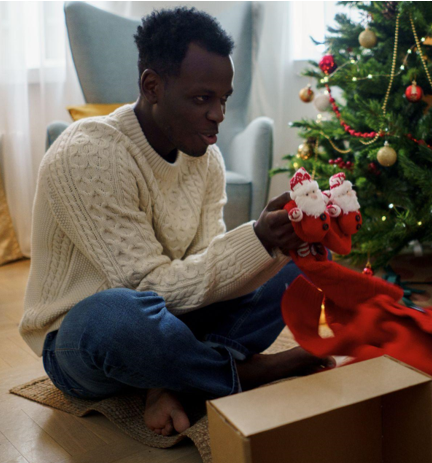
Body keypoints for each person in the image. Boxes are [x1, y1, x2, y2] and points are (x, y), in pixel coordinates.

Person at [20, 7, 331, 437]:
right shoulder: (89, 152)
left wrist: (274, 245)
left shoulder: (207, 159)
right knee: (119, 314)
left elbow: (206, 273)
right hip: (82, 340)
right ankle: (244, 372)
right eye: (202, 98)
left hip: (176, 317)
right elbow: (144, 289)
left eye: (223, 99)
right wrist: (255, 238)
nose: (218, 115)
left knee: (296, 267)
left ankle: (177, 381)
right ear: (152, 86)